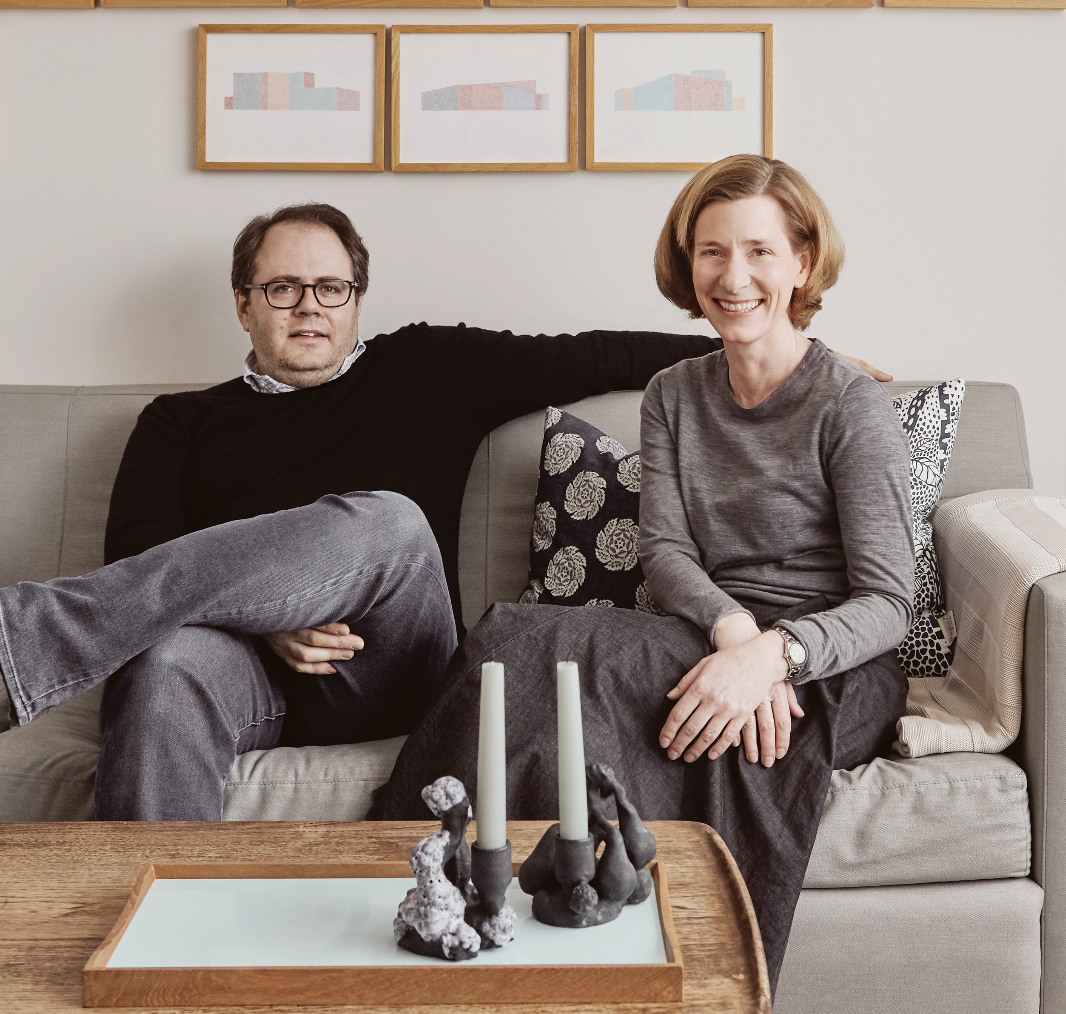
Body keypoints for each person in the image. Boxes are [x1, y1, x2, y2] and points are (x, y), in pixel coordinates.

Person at [0, 199, 889, 822]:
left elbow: (596, 353)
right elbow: (141, 555)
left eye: (331, 288)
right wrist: (265, 622)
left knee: (388, 519)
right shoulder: (179, 421)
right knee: (161, 669)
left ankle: (20, 641)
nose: (309, 307)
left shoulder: (426, 366)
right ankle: (149, 947)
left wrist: (780, 342)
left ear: (358, 300)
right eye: (281, 288)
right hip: (245, 671)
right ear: (243, 304)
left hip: (392, 665)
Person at [372, 156, 914, 996]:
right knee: (520, 652)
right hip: (706, 631)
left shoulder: (850, 404)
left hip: (833, 661)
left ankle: (699, 980)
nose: (733, 277)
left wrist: (774, 657)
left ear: (802, 263)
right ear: (687, 263)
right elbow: (665, 555)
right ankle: (438, 898)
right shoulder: (673, 393)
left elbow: (888, 603)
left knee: (551, 650)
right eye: (712, 252)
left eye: (760, 252)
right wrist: (734, 635)